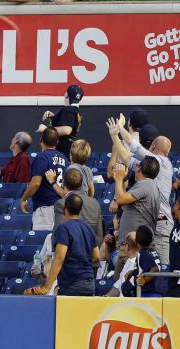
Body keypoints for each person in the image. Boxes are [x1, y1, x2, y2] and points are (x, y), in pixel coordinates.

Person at [109, 117, 173, 265]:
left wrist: (119, 128)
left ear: (152, 147)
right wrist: (114, 136)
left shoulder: (161, 162)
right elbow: (126, 158)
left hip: (161, 222)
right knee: (147, 266)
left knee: (161, 268)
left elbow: (133, 145)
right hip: (151, 222)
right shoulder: (151, 165)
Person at [28, 194, 99, 296]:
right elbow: (96, 257)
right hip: (89, 283)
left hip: (72, 283)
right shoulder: (88, 228)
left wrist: (46, 287)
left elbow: (59, 257)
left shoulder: (63, 228)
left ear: (65, 208)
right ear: (81, 209)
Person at [113, 158, 161, 274]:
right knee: (121, 286)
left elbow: (120, 200)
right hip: (133, 244)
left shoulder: (145, 184)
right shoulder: (148, 185)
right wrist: (121, 183)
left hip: (134, 246)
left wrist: (119, 179)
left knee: (124, 287)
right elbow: (125, 205)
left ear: (139, 168)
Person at [19, 128, 68, 230]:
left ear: (41, 140)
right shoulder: (64, 159)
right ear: (57, 142)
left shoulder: (42, 157)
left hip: (46, 209)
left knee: (43, 242)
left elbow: (36, 183)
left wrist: (24, 199)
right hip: (62, 209)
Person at [51, 168, 103, 244]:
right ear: (81, 184)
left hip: (70, 253)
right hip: (91, 251)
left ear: (63, 183)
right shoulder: (94, 203)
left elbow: (58, 234)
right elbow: (99, 235)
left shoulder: (61, 203)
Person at [37, 84, 83, 158]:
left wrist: (46, 130)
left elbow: (67, 130)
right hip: (67, 150)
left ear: (67, 95)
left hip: (60, 151)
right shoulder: (76, 111)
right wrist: (54, 117)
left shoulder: (68, 109)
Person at [122, 226, 165, 297]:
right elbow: (145, 267)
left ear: (136, 241)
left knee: (125, 288)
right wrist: (132, 272)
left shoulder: (143, 254)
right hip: (157, 290)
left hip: (149, 293)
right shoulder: (153, 252)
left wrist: (144, 280)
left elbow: (155, 270)